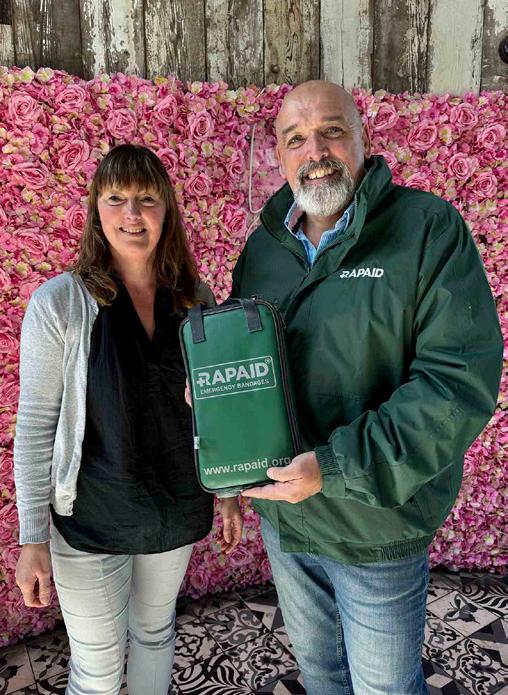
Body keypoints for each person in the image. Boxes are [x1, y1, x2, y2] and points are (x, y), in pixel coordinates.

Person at [231, 81, 503, 694]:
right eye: (296, 139)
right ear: (279, 155)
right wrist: (212, 393)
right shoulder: (265, 246)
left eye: (332, 131)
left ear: (362, 138)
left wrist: (332, 467)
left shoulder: (426, 228)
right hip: (287, 521)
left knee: (385, 688)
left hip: (376, 525)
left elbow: (454, 384)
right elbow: (245, 353)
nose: (315, 151)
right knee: (322, 675)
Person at [14, 144, 242, 695]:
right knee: (96, 671)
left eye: (147, 199)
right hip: (91, 520)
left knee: (155, 634)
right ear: (97, 209)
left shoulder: (194, 299)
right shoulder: (59, 303)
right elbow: (37, 425)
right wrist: (32, 536)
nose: (132, 214)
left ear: (167, 210)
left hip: (174, 505)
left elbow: (217, 406)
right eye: (116, 198)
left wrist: (229, 492)